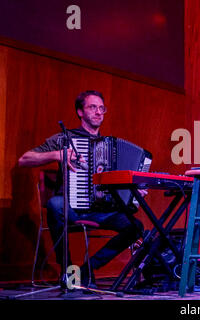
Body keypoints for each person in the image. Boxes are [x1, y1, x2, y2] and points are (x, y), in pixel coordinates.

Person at [18, 90, 146, 289]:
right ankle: (68, 271)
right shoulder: (64, 139)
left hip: (102, 211)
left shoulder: (111, 146)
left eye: (101, 108)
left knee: (135, 226)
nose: (98, 112)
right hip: (72, 207)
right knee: (55, 204)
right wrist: (57, 155)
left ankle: (86, 270)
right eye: (92, 107)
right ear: (80, 112)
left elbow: (117, 183)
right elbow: (24, 160)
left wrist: (133, 192)